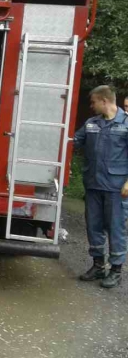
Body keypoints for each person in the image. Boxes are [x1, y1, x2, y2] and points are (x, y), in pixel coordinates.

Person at [74, 85, 128, 289]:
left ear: (104, 101)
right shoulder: (91, 124)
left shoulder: (125, 124)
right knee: (93, 226)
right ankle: (98, 265)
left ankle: (116, 270)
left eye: (94, 101)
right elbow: (74, 142)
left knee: (116, 228)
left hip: (116, 188)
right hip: (93, 185)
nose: (91, 106)